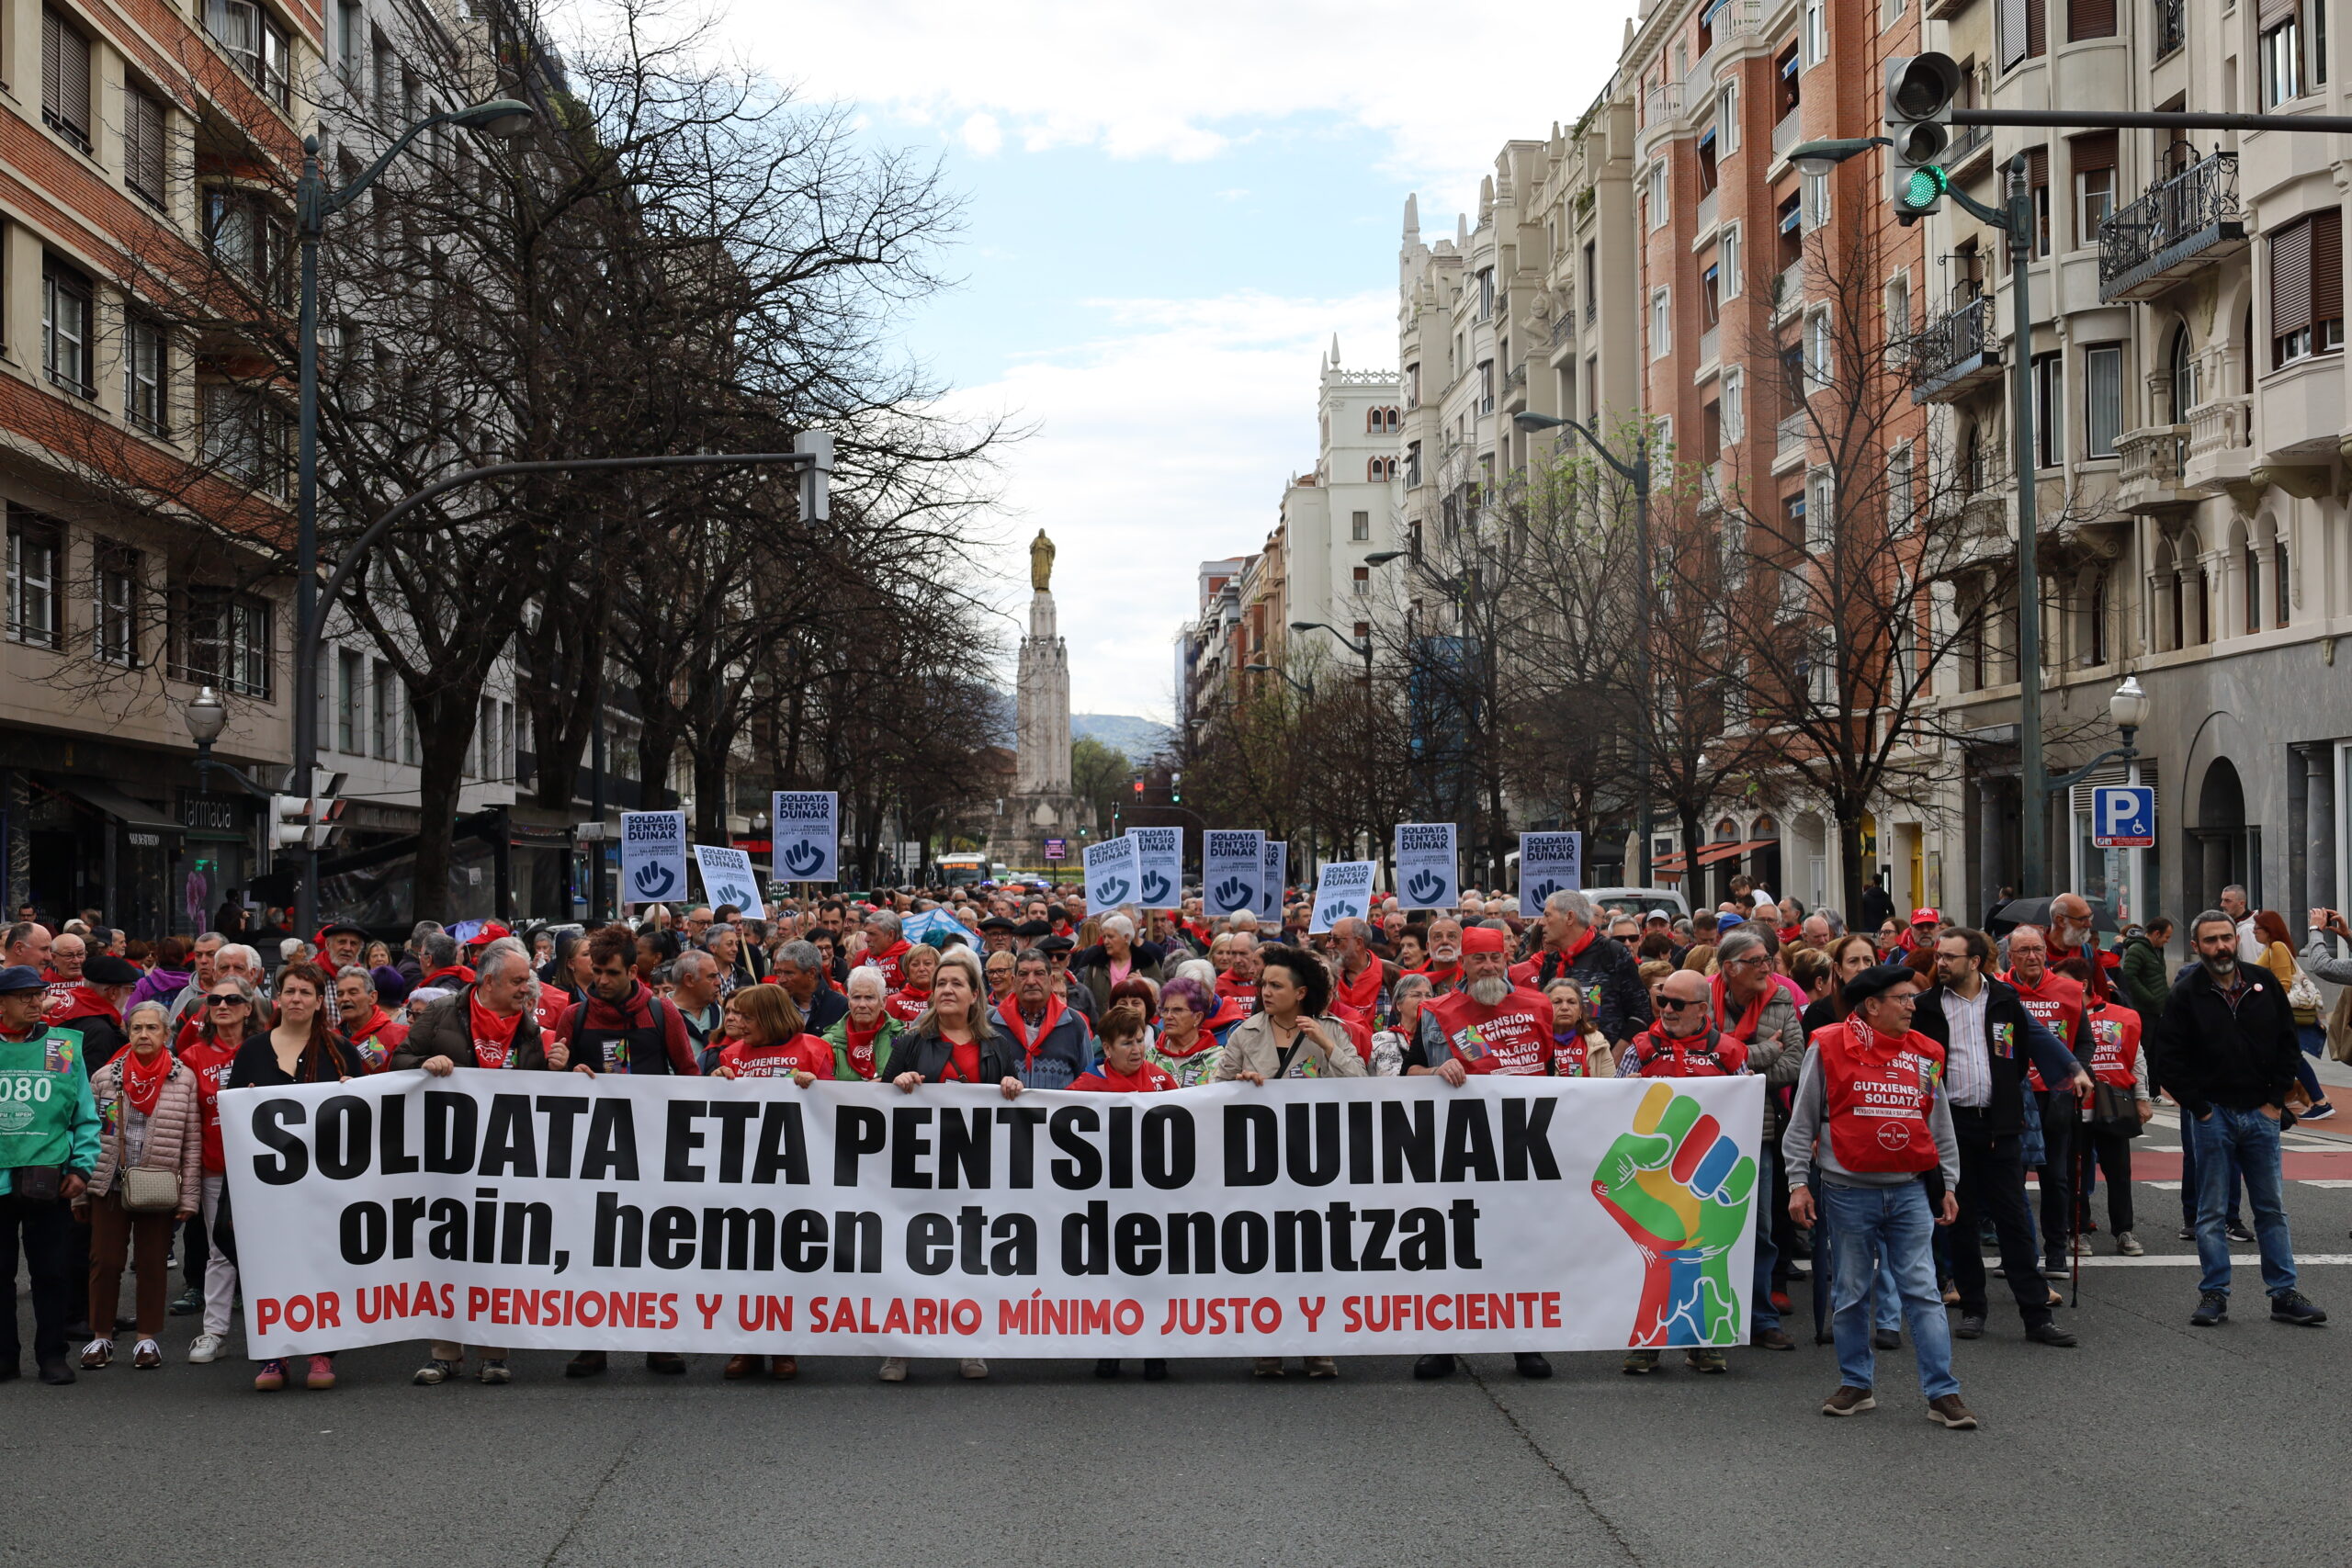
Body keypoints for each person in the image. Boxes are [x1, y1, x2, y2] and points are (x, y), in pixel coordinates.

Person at [1781, 964, 1973, 1428]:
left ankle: (1943, 1392)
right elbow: (1803, 1119)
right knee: (1850, 1292)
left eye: (1913, 998)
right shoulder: (1828, 1045)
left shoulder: (1926, 1052)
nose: (1912, 1006)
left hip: (1910, 1189)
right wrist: (1797, 1182)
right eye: (1902, 998)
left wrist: (1948, 1183)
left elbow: (1938, 1122)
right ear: (1871, 1005)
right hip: (1847, 1190)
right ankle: (1856, 1383)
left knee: (1923, 1292)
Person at [390, 938, 589, 1386]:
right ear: (489, 981)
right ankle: (444, 1354)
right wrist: (425, 1062)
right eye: (518, 981)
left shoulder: (532, 1031)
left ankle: (494, 1354)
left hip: (504, 1162)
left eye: (528, 981)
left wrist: (561, 1070)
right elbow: (398, 1061)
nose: (526, 988)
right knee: (446, 1248)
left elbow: (539, 1096)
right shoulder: (442, 1013)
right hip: (448, 1157)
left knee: (498, 1253)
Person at [1909, 929, 2089, 1348]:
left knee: (2014, 1221)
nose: (1941, 963)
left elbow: (2039, 1037)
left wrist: (2073, 1070)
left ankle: (2036, 1316)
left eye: (1950, 957)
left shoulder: (2005, 1000)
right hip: (1951, 1126)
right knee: (1960, 1220)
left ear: (1974, 962)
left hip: (2001, 1125)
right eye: (1939, 956)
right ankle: (1973, 1308)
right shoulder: (1926, 1006)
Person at [1405, 924, 1565, 1382]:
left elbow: (1552, 1077)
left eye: (1496, 958)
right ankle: (1442, 1345)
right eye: (1479, 959)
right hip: (1455, 1147)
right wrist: (1436, 1070)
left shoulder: (1537, 1006)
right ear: (1464, 964)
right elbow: (1409, 1071)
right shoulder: (1436, 1012)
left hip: (1521, 1147)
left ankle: (1525, 1345)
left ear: (1506, 958)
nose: (1489, 967)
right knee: (1450, 1247)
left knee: (1518, 1245)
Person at [2153, 909, 2326, 1328]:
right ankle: (2215, 1293)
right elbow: (2166, 1058)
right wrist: (2200, 1108)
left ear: (2236, 939)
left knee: (2271, 1209)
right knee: (2211, 1212)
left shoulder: (2262, 984)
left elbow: (2288, 1046)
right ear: (2197, 946)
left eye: (2226, 938)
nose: (2221, 947)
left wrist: (2274, 1103)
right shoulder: (2187, 992)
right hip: (2212, 1116)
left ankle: (2284, 1294)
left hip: (2261, 1115)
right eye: (2211, 940)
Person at [1211, 944, 1358, 1379]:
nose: (1266, 991)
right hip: (1261, 1164)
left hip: (1317, 1163)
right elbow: (1214, 1093)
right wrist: (1240, 1086)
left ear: (1301, 993)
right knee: (1266, 1256)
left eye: (1276, 985)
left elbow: (1361, 1085)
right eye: (1264, 984)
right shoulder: (1246, 1033)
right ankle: (1268, 1345)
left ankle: (1317, 1346)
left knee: (1315, 1257)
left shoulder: (1331, 1031)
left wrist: (1327, 1046)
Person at [882, 947, 1021, 1382]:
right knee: (910, 1259)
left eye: (956, 983)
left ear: (975, 994)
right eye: (940, 983)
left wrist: (1012, 1084)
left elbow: (1014, 1108)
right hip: (919, 1171)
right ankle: (898, 1350)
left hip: (974, 1173)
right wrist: (898, 1082)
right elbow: (878, 1099)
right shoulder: (911, 1042)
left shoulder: (996, 1046)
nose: (946, 989)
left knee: (969, 1259)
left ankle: (969, 1345)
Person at [227, 962, 365, 1391]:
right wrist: (245, 1103)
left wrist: (352, 1092)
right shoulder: (252, 1051)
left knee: (322, 1259)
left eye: (306, 992)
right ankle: (275, 1353)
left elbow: (365, 1116)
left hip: (324, 1184)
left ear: (319, 1001)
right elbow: (231, 1110)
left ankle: (322, 1350)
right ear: (277, 997)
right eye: (290, 991)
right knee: (268, 1260)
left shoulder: (340, 1050)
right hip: (267, 1186)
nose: (297, 999)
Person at [1615, 968, 1750, 1376]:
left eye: (1677, 1003)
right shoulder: (1641, 1047)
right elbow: (1616, 1108)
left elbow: (1744, 1109)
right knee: (1653, 1255)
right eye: (1662, 1000)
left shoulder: (1729, 1051)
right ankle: (1647, 1343)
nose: (1667, 1010)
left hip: (1705, 1174)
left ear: (1702, 1008)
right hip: (1655, 1174)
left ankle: (1703, 1341)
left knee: (1705, 1254)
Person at [705, 982, 831, 1382]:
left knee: (786, 1265)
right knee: (745, 1264)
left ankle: (783, 1347)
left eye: (748, 1016)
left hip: (796, 1177)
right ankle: (746, 1346)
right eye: (736, 1015)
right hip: (744, 1177)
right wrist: (716, 1079)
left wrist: (818, 1087)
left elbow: (838, 1108)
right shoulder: (730, 1054)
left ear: (771, 1017)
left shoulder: (814, 1050)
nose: (738, 1023)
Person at [76, 1002, 201, 1372]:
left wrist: (189, 1196)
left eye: (152, 1028)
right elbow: (85, 1134)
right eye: (136, 1028)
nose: (143, 1035)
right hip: (109, 1184)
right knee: (105, 1262)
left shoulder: (183, 1079)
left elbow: (192, 1141)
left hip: (157, 1186)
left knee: (151, 1264)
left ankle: (147, 1339)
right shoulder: (105, 1077)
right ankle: (101, 1337)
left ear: (167, 1034)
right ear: (128, 1033)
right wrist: (81, 1191)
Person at [0, 965, 101, 1383]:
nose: (34, 1002)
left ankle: (52, 1355)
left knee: (52, 1273)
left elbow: (85, 1114)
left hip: (51, 1178)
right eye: (23, 995)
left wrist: (81, 1167)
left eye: (37, 994)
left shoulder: (61, 1046)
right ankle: (5, 1357)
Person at [177, 973, 261, 1364]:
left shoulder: (265, 1050)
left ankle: (282, 1328)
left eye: (232, 1000)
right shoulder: (193, 1057)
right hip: (216, 1168)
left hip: (266, 1169)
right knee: (220, 1251)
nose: (222, 1006)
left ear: (248, 1009)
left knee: (274, 1247)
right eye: (214, 1000)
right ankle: (214, 1332)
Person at [2001, 926, 2088, 1273]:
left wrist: (2077, 1074)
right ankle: (2016, 1253)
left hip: (2054, 1096)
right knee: (2010, 1179)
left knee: (2056, 1178)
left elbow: (2085, 1041)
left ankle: (2055, 1252)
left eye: (2037, 949)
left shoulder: (2069, 989)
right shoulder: (1999, 990)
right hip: (2013, 1096)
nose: (2032, 956)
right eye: (2023, 951)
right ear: (2011, 956)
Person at [1508, 889, 1651, 1047]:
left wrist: (1615, 1056)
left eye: (1547, 915)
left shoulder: (1611, 953)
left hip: (1605, 1058)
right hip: (1561, 1058)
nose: (1541, 922)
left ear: (1569, 917)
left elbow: (1641, 1013)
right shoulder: (1550, 962)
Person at [560, 924, 698, 1077]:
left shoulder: (663, 1012)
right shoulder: (573, 1016)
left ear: (632, 972)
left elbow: (689, 1072)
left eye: (613, 973)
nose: (603, 980)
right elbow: (556, 1080)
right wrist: (565, 1070)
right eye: (597, 971)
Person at [2078, 987, 2154, 1255]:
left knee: (2119, 1171)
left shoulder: (2119, 1015)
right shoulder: (2061, 1014)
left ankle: (2124, 1230)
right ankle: (2078, 1231)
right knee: (2075, 1172)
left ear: (2084, 982)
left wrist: (2142, 1098)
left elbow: (2136, 1058)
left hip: (2113, 1103)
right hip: (2075, 1105)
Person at [2250, 909, 2332, 1118]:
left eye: (2257, 928)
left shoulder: (2277, 947)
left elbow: (2283, 984)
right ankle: (2307, 1100)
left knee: (2292, 1057)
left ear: (2269, 930)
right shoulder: (2271, 948)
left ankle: (2320, 1101)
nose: (2254, 931)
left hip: (2280, 1014)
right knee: (2287, 1057)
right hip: (2279, 1014)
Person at [996, 947, 1095, 1090]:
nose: (1031, 981)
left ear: (1051, 980)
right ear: (1013, 981)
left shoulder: (1075, 1024)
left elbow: (1088, 1084)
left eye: (1039, 973)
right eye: (1023, 974)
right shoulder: (991, 1024)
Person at [1069, 915, 1161, 1015]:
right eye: (1104, 937)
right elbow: (1085, 999)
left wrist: (1145, 983)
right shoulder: (1096, 963)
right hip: (1103, 1024)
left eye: (1110, 937)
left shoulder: (1145, 961)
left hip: (1137, 1023)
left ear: (1126, 937)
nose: (1106, 941)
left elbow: (1161, 994)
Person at [824, 966, 902, 1081]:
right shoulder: (828, 1043)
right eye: (856, 997)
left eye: (869, 998)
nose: (862, 1005)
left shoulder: (902, 1037)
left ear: (883, 1002)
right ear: (849, 1002)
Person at [334, 965, 408, 1071]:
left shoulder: (399, 1036)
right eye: (340, 994)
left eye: (353, 993)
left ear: (372, 997)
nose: (344, 999)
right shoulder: (329, 1040)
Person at [1544, 979, 1615, 1077]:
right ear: (1545, 1008)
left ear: (1581, 1011)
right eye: (1557, 1002)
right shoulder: (1535, 1043)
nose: (1564, 1007)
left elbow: (1611, 1084)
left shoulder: (1598, 1042)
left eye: (1571, 1002)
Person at [773, 940, 849, 1032]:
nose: (781, 980)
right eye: (779, 972)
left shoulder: (841, 1007)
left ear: (812, 973)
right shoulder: (774, 1005)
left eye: (789, 973)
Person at [2119, 918, 2174, 1017]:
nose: (2168, 941)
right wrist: (2149, 998)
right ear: (2157, 934)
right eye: (2167, 937)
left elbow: (2159, 977)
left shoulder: (2157, 950)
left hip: (2157, 1010)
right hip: (2144, 1011)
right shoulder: (2137, 949)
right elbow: (2129, 976)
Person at [883, 942, 940, 1023]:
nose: (921, 969)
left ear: (938, 968)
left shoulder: (944, 998)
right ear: (907, 970)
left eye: (927, 963)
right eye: (915, 965)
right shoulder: (893, 1001)